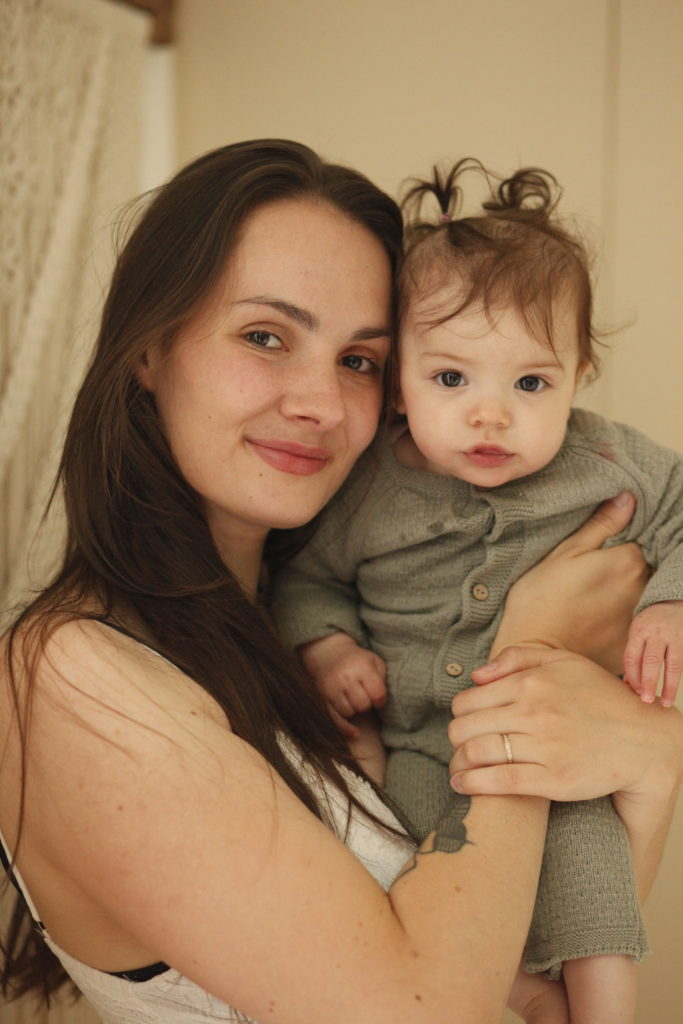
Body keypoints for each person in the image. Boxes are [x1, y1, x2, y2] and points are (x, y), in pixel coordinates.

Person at [0, 140, 681, 1024]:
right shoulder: (70, 676)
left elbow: (535, 962)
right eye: (264, 337)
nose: (321, 403)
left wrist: (644, 762)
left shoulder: (322, 632)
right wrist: (527, 660)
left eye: (358, 359)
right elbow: (426, 1009)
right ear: (148, 348)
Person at [271, 159, 683, 1023]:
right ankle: (528, 1000)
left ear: (578, 376)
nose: (489, 414)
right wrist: (330, 644)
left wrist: (669, 601)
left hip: (568, 742)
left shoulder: (603, 462)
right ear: (398, 379)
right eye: (450, 379)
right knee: (421, 876)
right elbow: (307, 579)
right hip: (426, 745)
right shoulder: (370, 490)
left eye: (530, 383)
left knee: (591, 879)